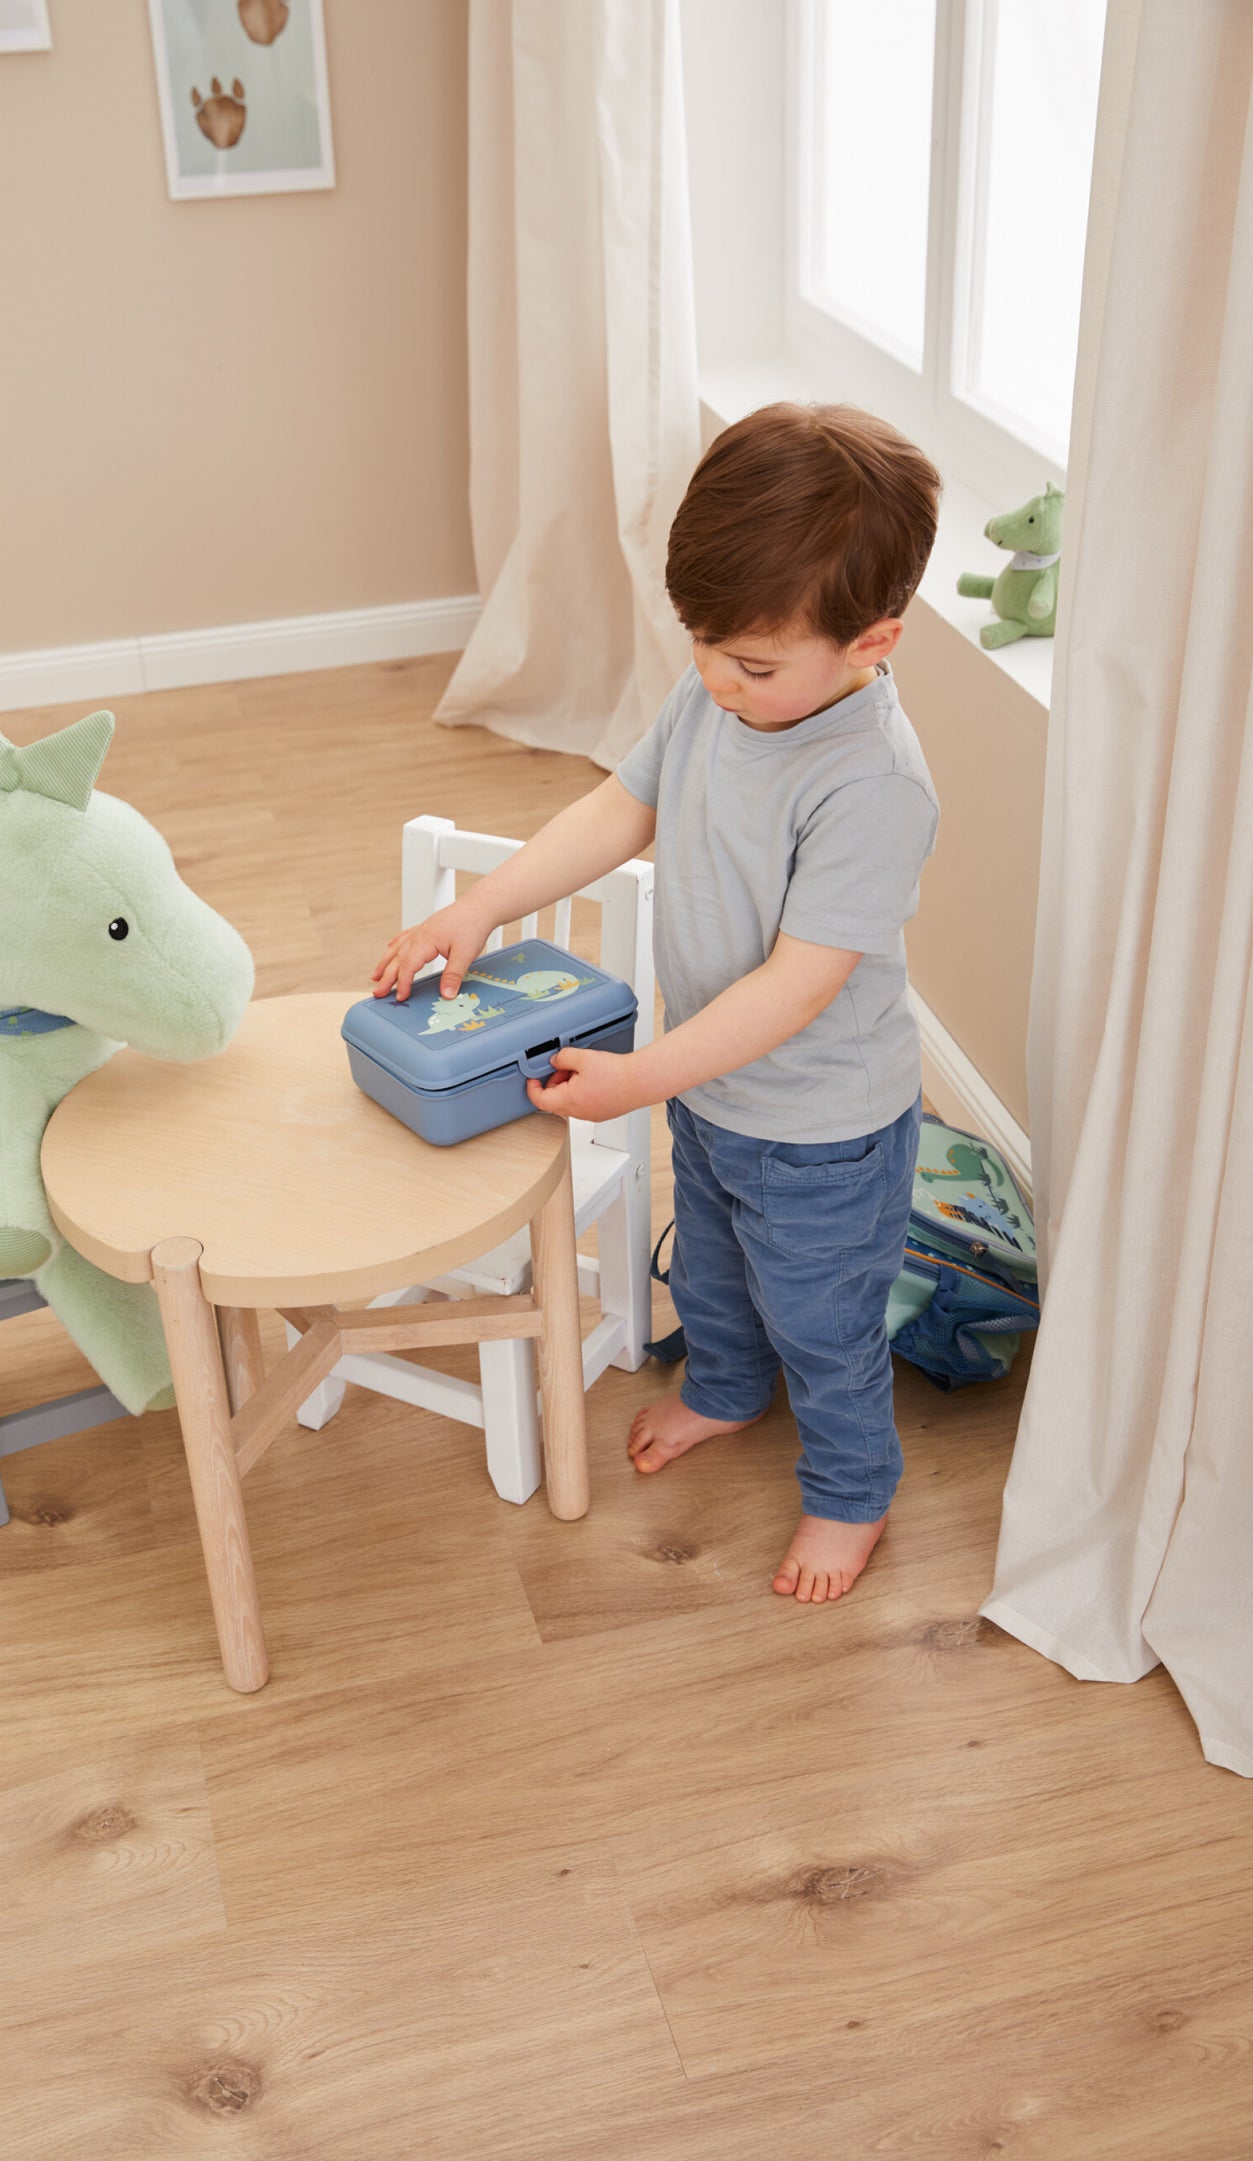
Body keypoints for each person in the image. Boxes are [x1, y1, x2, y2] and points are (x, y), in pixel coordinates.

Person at [373, 402, 942, 1605]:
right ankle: (727, 1386)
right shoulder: (715, 700)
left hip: (824, 1125)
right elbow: (612, 810)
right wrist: (481, 906)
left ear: (872, 642)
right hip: (713, 1088)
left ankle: (852, 1487)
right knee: (720, 1269)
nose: (711, 679)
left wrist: (643, 1074)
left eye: (747, 662)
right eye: (700, 644)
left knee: (825, 1320)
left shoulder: (871, 783)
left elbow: (798, 984)